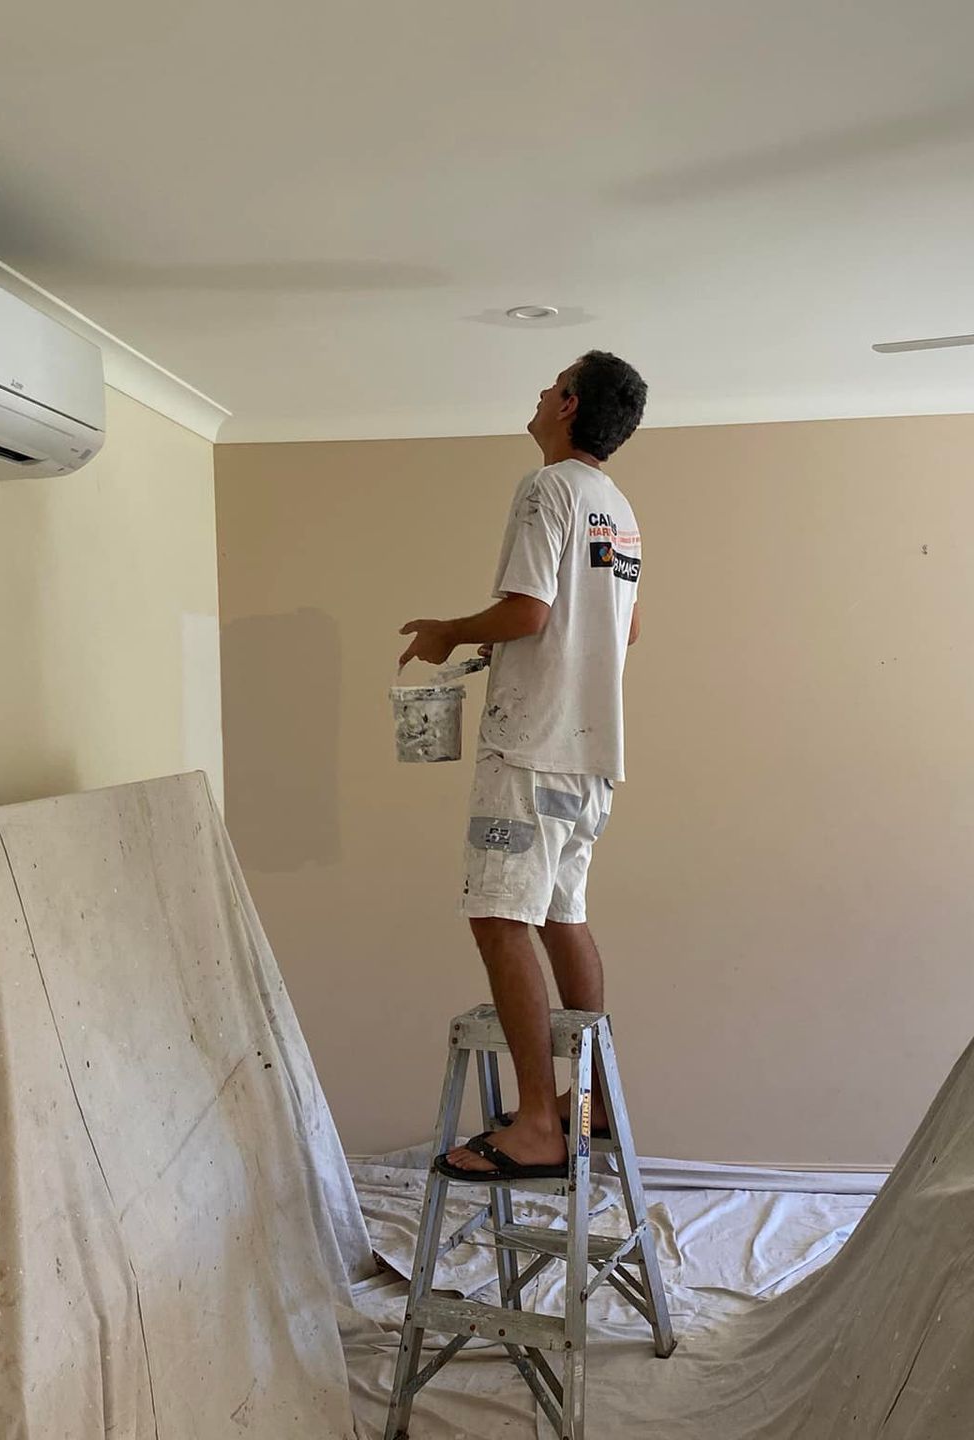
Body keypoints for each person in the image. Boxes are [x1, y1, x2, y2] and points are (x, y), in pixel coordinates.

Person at [397, 350, 647, 1180]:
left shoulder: (548, 489)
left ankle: (538, 1123)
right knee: (561, 915)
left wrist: (449, 632)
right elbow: (626, 629)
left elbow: (529, 611)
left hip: (532, 749)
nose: (540, 393)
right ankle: (590, 1102)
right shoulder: (618, 510)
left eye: (551, 384)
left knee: (499, 917)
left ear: (569, 404)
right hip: (591, 755)